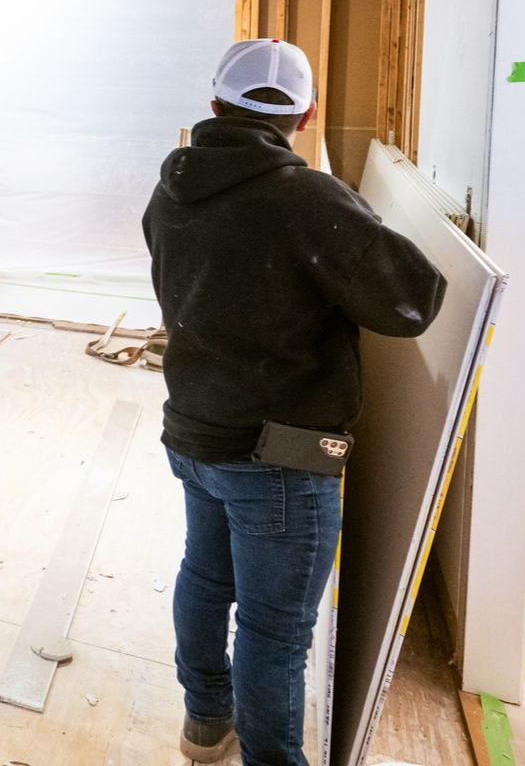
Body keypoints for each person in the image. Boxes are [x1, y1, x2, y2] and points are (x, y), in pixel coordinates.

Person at [142, 38, 447, 766]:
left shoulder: (172, 186)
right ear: (304, 116)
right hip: (279, 455)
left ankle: (204, 723)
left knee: (204, 578)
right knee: (275, 635)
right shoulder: (306, 198)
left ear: (214, 105)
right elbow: (413, 302)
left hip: (193, 432)